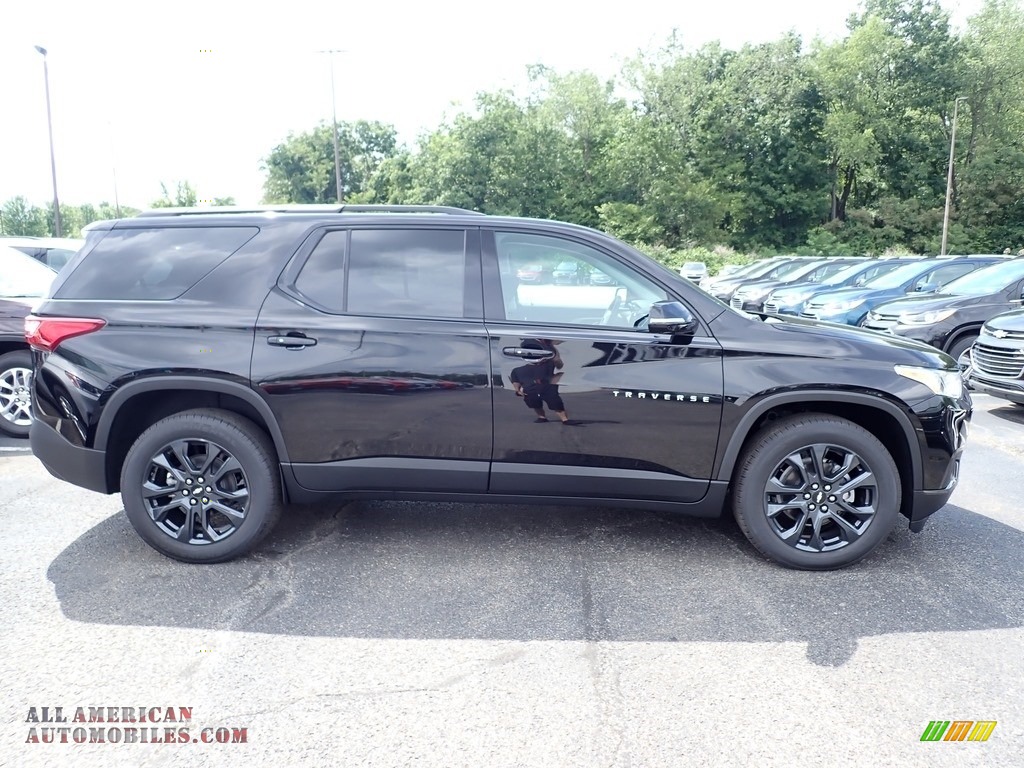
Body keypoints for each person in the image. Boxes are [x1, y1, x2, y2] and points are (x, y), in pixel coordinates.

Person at [509, 339, 574, 424]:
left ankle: (565, 419)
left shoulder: (548, 364)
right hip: (530, 389)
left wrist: (551, 348)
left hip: (547, 387)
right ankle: (542, 417)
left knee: (555, 402)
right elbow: (515, 381)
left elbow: (557, 361)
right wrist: (517, 390)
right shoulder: (517, 370)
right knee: (534, 402)